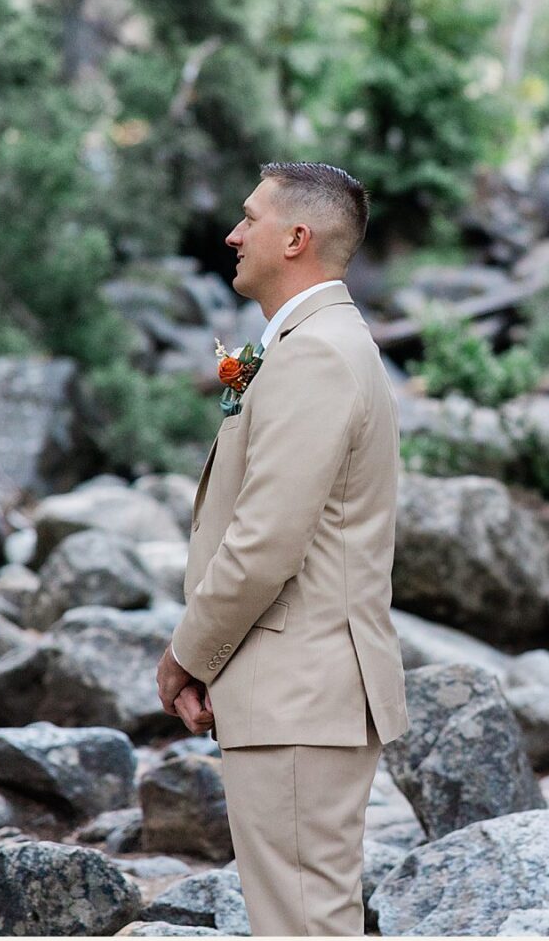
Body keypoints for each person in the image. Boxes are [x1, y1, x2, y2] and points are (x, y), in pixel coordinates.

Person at [156, 162, 409, 936]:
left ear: (297, 238)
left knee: (303, 924)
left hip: (301, 693)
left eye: (250, 218)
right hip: (294, 692)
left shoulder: (316, 353)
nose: (233, 235)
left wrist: (187, 655)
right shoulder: (311, 342)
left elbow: (267, 542)